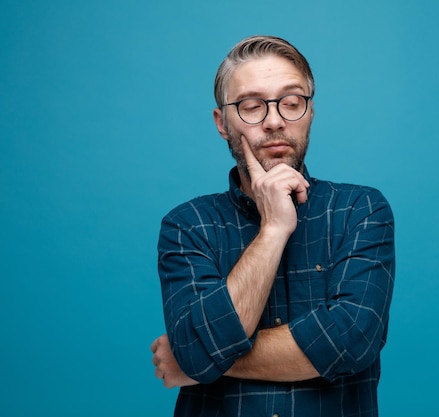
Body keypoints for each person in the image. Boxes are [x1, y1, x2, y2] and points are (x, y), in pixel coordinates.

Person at [150, 35, 395, 417]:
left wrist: (197, 361)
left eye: (292, 103)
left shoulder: (360, 210)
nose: (275, 121)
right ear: (222, 123)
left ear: (310, 112)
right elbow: (198, 348)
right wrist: (273, 230)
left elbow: (351, 339)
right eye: (251, 106)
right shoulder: (187, 225)